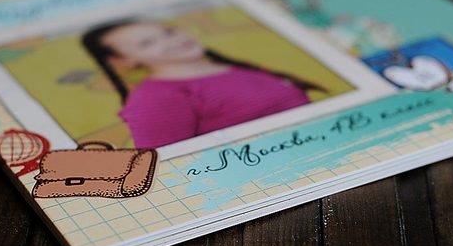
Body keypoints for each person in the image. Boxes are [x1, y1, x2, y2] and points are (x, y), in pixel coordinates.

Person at [82, 19, 324, 149]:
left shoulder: (234, 67)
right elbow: (171, 167)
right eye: (147, 43)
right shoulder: (155, 99)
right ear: (123, 61)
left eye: (168, 32)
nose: (173, 40)